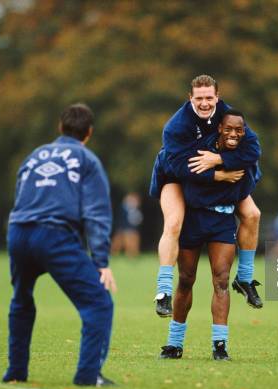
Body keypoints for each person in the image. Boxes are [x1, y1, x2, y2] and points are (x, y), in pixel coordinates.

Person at [3, 103, 117, 387]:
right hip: (53, 236)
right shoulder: (86, 159)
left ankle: (16, 373)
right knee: (98, 303)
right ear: (89, 132)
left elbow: (20, 196)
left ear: (60, 127)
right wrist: (101, 261)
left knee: (21, 299)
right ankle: (88, 376)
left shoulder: (34, 156)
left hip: (18, 232)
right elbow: (97, 213)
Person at [150, 75, 263, 317]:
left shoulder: (227, 114)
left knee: (253, 214)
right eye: (199, 98)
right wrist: (218, 176)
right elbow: (180, 168)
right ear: (190, 98)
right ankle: (164, 291)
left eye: (209, 98)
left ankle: (244, 278)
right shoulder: (175, 126)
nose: (204, 103)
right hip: (175, 176)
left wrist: (219, 160)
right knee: (173, 223)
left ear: (217, 97)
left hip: (217, 173)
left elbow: (253, 149)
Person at [160, 109, 258, 361]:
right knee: (186, 279)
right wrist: (218, 175)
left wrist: (224, 165)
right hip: (193, 218)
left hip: (221, 222)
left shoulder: (246, 158)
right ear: (219, 129)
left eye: (239, 130)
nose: (233, 134)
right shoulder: (199, 149)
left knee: (221, 281)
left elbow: (245, 184)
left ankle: (220, 345)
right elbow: (186, 177)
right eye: (228, 129)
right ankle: (174, 344)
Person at [111, 193, 143, 257]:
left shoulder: (136, 210)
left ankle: (132, 256)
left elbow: (137, 220)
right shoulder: (123, 208)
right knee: (117, 244)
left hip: (133, 229)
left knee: (133, 244)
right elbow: (121, 220)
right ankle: (112, 255)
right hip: (123, 229)